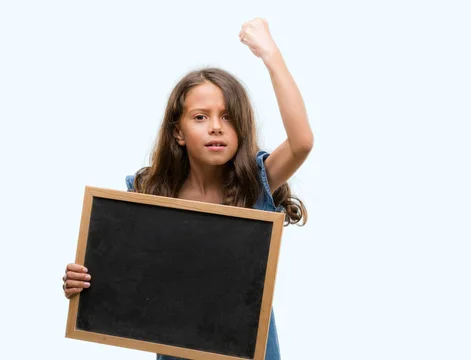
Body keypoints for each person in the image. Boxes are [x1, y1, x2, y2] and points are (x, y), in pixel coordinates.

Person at [61, 17, 313, 360]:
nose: (215, 128)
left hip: (249, 351)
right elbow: (130, 282)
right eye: (200, 117)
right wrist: (84, 284)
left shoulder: (254, 184)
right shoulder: (150, 192)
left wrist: (270, 55)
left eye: (228, 117)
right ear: (178, 132)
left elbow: (301, 143)